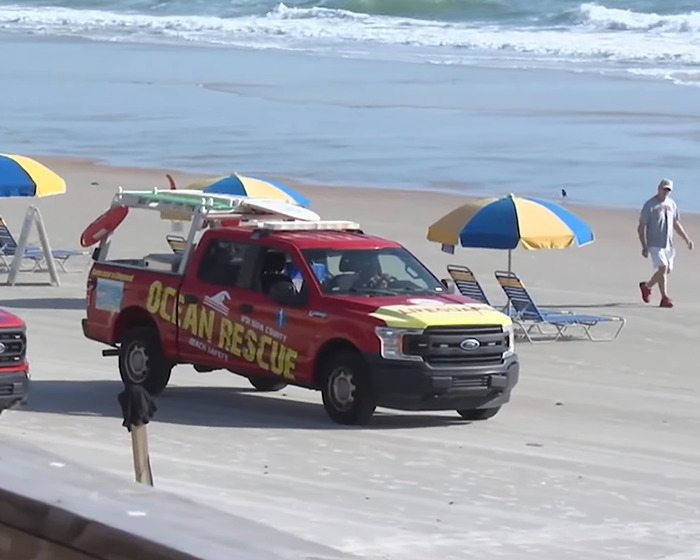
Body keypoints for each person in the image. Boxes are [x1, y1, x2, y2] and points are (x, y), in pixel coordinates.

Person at [637, 179, 693, 308]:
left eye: (668, 190)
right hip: (654, 243)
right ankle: (664, 298)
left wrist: (686, 239)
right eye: (664, 189)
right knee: (663, 268)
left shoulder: (672, 204)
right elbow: (641, 227)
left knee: (666, 271)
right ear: (659, 188)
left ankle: (647, 286)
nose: (666, 192)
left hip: (668, 244)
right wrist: (644, 246)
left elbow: (675, 223)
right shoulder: (650, 205)